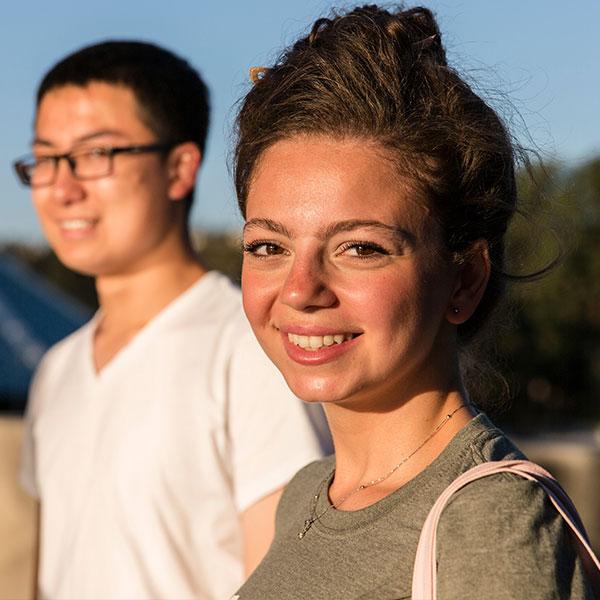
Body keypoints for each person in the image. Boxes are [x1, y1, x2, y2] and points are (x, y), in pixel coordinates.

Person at [232, 5, 595, 599]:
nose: (299, 290)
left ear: (464, 280)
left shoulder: (493, 521)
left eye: (361, 248)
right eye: (268, 245)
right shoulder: (307, 494)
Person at [14, 41, 324, 600]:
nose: (62, 188)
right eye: (45, 159)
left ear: (180, 167)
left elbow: (288, 575)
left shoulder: (252, 349)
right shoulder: (56, 370)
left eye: (94, 154)